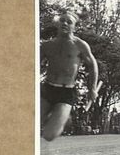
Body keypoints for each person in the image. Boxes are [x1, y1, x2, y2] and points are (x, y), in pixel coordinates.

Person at [40, 10, 99, 141]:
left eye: (69, 22)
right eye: (62, 21)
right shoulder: (47, 45)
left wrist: (92, 89)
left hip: (66, 92)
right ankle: (54, 116)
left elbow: (93, 66)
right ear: (57, 24)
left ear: (74, 27)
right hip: (47, 89)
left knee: (49, 135)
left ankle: (63, 119)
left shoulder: (80, 45)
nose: (65, 24)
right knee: (30, 123)